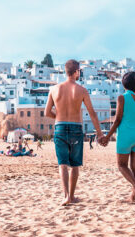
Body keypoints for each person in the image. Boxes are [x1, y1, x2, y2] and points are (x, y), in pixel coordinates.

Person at [45, 59, 104, 206]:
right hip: (76, 128)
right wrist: (100, 133)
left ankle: (66, 196)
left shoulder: (54, 89)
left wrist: (58, 118)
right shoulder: (81, 90)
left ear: (66, 72)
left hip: (60, 128)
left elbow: (47, 112)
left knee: (63, 164)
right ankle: (71, 195)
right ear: (76, 72)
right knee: (75, 165)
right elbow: (92, 114)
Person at [100, 71, 135, 203]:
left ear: (124, 84)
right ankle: (134, 196)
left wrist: (107, 136)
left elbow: (117, 119)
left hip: (125, 135)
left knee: (121, 165)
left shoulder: (122, 98)